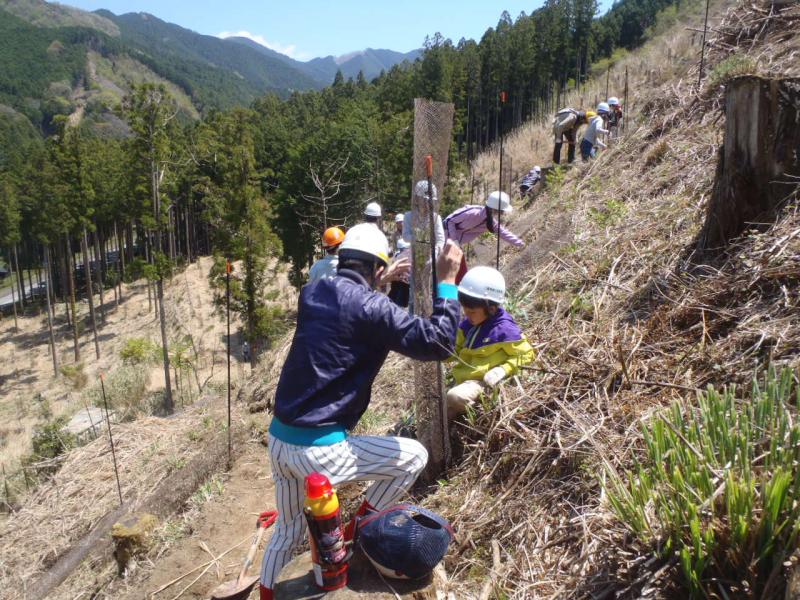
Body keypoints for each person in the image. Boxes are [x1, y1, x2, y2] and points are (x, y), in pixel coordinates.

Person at [257, 224, 464, 600]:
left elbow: (367, 320)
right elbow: (437, 342)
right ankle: (350, 536)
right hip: (319, 451)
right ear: (378, 269)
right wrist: (447, 283)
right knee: (412, 456)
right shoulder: (372, 306)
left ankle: (268, 594)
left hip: (279, 439)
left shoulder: (314, 291)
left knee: (286, 533)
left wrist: (390, 285)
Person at [446, 266, 534, 420]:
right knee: (441, 409)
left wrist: (503, 369)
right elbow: (456, 350)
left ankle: (484, 412)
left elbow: (527, 354)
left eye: (472, 311)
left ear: (491, 309)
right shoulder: (468, 325)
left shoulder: (504, 330)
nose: (466, 314)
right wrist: (440, 352)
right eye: (465, 309)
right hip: (463, 380)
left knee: (454, 397)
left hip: (484, 382)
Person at [443, 191, 525, 282]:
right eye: (501, 211)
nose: (502, 213)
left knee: (459, 271)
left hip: (456, 244)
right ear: (494, 209)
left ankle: (458, 290)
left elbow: (504, 233)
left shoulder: (490, 223)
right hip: (445, 238)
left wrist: (520, 243)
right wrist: (454, 240)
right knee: (448, 268)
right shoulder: (472, 212)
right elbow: (449, 220)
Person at [402, 180, 446, 254]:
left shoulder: (436, 218)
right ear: (417, 199)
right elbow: (405, 236)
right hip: (413, 253)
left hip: (431, 254)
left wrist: (436, 250)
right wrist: (420, 238)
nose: (427, 203)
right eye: (424, 200)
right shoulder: (408, 216)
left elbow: (440, 239)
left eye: (430, 201)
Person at [388, 238, 411, 308]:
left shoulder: (397, 255)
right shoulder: (400, 255)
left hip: (401, 280)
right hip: (401, 281)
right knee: (398, 300)